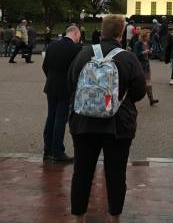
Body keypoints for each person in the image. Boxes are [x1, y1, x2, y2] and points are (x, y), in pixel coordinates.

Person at [67, 14, 146, 223]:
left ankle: (79, 217)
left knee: (82, 172)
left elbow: (71, 83)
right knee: (116, 174)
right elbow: (139, 92)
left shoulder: (84, 54)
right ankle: (115, 216)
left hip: (84, 122)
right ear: (121, 33)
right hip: (118, 125)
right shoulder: (128, 58)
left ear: (101, 31)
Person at [42, 25, 82, 163]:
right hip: (66, 88)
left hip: (51, 86)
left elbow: (45, 66)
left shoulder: (52, 46)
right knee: (60, 119)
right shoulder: (76, 49)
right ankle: (58, 151)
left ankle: (47, 150)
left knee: (51, 117)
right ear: (76, 33)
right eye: (79, 35)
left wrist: (51, 78)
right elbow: (77, 70)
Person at [134, 30, 159, 106]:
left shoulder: (149, 43)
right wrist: (143, 52)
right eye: (147, 35)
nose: (149, 37)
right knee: (137, 82)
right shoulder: (138, 43)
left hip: (146, 64)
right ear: (143, 36)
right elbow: (135, 54)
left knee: (148, 82)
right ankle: (131, 100)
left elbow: (150, 54)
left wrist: (151, 52)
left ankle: (151, 99)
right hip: (139, 64)